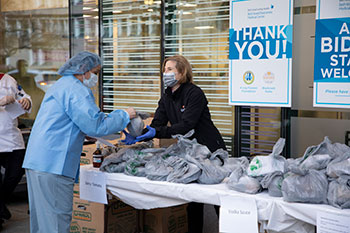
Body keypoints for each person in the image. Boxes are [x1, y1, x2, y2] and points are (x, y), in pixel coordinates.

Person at [22, 51, 136, 233]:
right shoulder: (77, 90)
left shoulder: (60, 86)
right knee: (57, 222)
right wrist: (124, 115)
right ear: (84, 70)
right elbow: (95, 125)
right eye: (96, 72)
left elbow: (65, 121)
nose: (96, 77)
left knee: (43, 221)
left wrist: (82, 132)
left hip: (39, 161)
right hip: (53, 164)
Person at [123, 55, 226, 233]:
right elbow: (158, 123)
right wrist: (141, 135)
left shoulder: (195, 93)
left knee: (218, 198)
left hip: (210, 149)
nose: (165, 73)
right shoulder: (167, 96)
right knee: (193, 200)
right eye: (164, 70)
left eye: (169, 69)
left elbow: (187, 125)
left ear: (182, 72)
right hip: (190, 153)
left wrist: (157, 132)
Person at [0, 73, 32, 230]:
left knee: (17, 172)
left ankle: (0, 204)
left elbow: (23, 95)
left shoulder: (8, 79)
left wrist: (26, 101)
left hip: (11, 136)